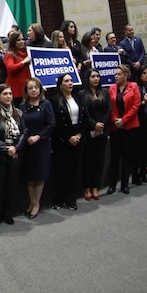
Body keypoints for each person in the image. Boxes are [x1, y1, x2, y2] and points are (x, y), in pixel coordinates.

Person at [0, 83, 24, 225]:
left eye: (10, 94)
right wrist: (6, 148)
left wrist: (16, 148)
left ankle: (8, 213)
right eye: (5, 94)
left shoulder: (18, 113)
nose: (8, 96)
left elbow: (24, 133)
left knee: (11, 186)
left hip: (15, 155)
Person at [51, 73, 88, 211]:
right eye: (67, 81)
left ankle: (71, 199)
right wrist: (68, 138)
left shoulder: (79, 97)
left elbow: (84, 117)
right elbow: (57, 123)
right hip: (62, 140)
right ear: (61, 85)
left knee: (74, 170)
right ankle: (59, 199)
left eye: (71, 80)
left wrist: (79, 134)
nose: (70, 83)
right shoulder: (55, 100)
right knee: (61, 171)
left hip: (78, 137)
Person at [20, 76, 54, 219]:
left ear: (40, 89)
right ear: (26, 91)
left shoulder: (46, 104)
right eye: (30, 88)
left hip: (41, 145)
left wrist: (39, 136)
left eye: (36, 88)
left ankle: (37, 203)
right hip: (27, 146)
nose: (34, 90)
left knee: (39, 176)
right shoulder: (22, 106)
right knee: (30, 177)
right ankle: (31, 202)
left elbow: (52, 124)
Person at [107, 65, 140, 195]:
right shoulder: (111, 88)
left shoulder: (134, 87)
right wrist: (116, 119)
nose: (116, 76)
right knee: (115, 157)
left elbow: (135, 106)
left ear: (126, 75)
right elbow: (109, 106)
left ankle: (125, 184)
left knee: (127, 156)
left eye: (119, 74)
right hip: (115, 126)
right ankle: (112, 184)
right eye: (115, 74)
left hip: (129, 126)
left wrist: (124, 120)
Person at [82, 69, 110, 202]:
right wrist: (94, 125)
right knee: (89, 161)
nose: (96, 79)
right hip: (89, 132)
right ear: (88, 78)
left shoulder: (104, 92)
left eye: (98, 76)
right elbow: (85, 114)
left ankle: (95, 187)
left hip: (102, 132)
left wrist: (101, 125)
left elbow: (108, 110)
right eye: (93, 76)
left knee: (99, 161)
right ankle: (86, 187)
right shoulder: (82, 94)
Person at [4, 31, 31, 106]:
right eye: (19, 40)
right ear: (14, 42)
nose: (22, 42)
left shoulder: (28, 54)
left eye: (23, 39)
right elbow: (10, 68)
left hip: (27, 89)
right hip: (16, 91)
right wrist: (23, 62)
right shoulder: (10, 54)